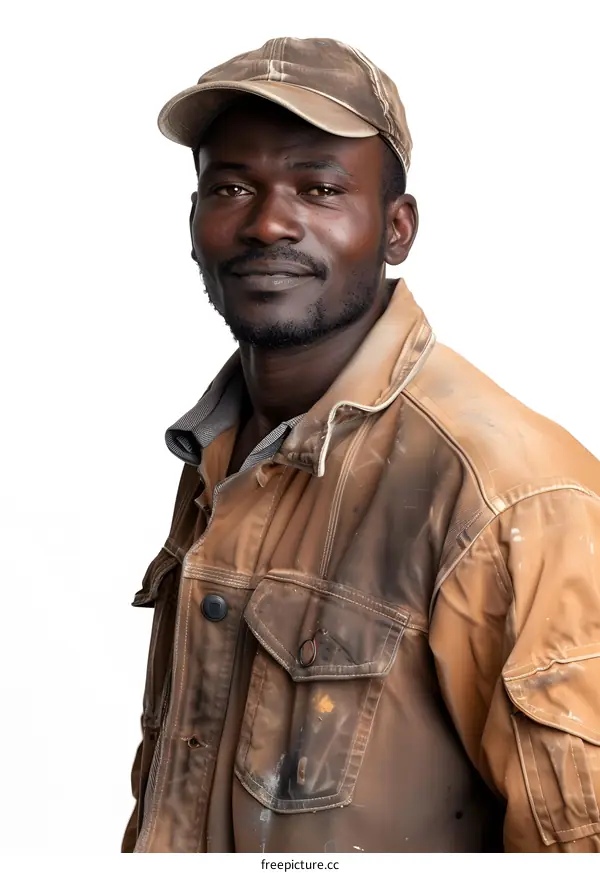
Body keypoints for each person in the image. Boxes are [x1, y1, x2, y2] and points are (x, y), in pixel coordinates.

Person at [122, 37, 600, 854]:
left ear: (397, 228)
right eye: (232, 187)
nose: (268, 223)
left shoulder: (507, 494)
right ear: (193, 221)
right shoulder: (225, 451)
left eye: (320, 188)